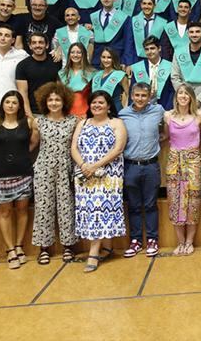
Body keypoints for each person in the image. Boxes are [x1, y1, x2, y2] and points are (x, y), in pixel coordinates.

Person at [71, 91, 127, 273]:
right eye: (94, 102)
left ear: (109, 105)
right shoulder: (83, 123)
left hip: (108, 175)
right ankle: (107, 247)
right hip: (84, 174)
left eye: (101, 103)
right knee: (88, 211)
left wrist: (95, 166)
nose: (97, 105)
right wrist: (84, 166)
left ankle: (93, 253)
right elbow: (74, 148)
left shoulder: (116, 123)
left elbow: (118, 149)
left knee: (100, 209)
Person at [0, 91, 38, 269]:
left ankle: (19, 246)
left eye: (14, 102)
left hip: (23, 172)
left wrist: (22, 156)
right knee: (5, 212)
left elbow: (33, 144)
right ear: (2, 104)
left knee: (22, 210)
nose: (10, 105)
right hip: (1, 174)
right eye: (7, 102)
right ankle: (9, 250)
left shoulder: (29, 123)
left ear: (20, 106)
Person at [31, 82, 79, 265]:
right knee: (44, 208)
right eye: (50, 99)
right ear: (45, 101)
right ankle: (44, 248)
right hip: (44, 169)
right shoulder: (38, 121)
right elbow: (33, 145)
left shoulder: (74, 121)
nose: (53, 103)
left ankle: (68, 246)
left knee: (67, 206)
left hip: (66, 168)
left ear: (64, 101)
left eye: (57, 99)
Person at [118, 83, 165, 258]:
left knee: (151, 205)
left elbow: (169, 124)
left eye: (144, 96)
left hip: (151, 165)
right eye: (137, 95)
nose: (140, 99)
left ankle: (153, 240)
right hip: (130, 166)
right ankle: (136, 241)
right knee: (134, 206)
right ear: (131, 96)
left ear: (149, 97)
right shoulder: (123, 114)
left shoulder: (158, 111)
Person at [162, 85, 201, 256]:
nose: (183, 96)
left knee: (193, 202)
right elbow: (165, 136)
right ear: (176, 96)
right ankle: (180, 241)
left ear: (192, 97)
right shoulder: (168, 116)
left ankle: (189, 242)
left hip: (193, 162)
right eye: (180, 93)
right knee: (175, 202)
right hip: (174, 162)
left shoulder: (199, 116)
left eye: (187, 94)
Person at [171, 21, 201, 106]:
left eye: (197, 31)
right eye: (191, 32)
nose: (194, 35)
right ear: (187, 33)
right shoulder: (178, 52)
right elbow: (174, 77)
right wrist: (185, 96)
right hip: (183, 100)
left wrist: (199, 100)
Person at [16, 33, 61, 117]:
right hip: (33, 112)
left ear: (47, 45)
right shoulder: (22, 66)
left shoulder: (56, 62)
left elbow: (60, 88)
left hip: (53, 111)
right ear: (30, 46)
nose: (37, 45)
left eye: (41, 42)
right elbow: (23, 93)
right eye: (34, 43)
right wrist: (29, 115)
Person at [58, 43, 95, 117]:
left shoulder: (92, 73)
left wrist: (89, 113)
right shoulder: (62, 73)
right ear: (69, 54)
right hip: (65, 113)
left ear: (83, 54)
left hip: (85, 113)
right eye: (72, 52)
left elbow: (94, 96)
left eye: (79, 52)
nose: (75, 55)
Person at [92, 48, 128, 112]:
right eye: (103, 57)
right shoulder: (96, 74)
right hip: (98, 110)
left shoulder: (120, 75)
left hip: (115, 110)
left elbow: (128, 95)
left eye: (109, 57)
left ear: (113, 59)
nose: (106, 60)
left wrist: (125, 110)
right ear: (100, 58)